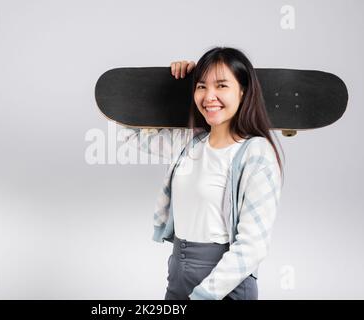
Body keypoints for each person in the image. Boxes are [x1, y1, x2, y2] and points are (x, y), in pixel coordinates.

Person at [121, 46, 285, 300]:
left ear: (243, 91)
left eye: (221, 86)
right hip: (178, 272)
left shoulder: (257, 154)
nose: (209, 96)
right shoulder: (189, 142)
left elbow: (252, 246)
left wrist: (205, 294)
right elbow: (130, 133)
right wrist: (171, 83)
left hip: (226, 282)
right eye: (201, 86)